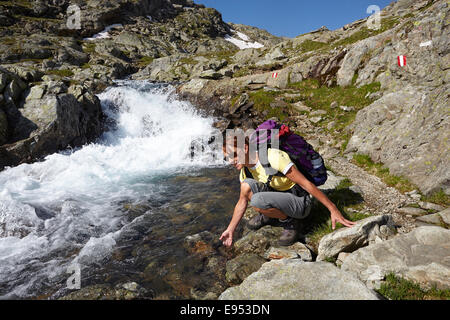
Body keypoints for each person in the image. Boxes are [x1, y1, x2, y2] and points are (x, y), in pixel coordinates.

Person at [220, 134, 355, 247]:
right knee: (246, 187)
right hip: (279, 197)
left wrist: (333, 209)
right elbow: (242, 201)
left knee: (257, 201)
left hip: (299, 202)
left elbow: (305, 184)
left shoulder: (273, 157)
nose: (231, 161)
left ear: (245, 147)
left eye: (235, 154)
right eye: (228, 157)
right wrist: (230, 229)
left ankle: (291, 222)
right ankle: (269, 214)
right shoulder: (245, 172)